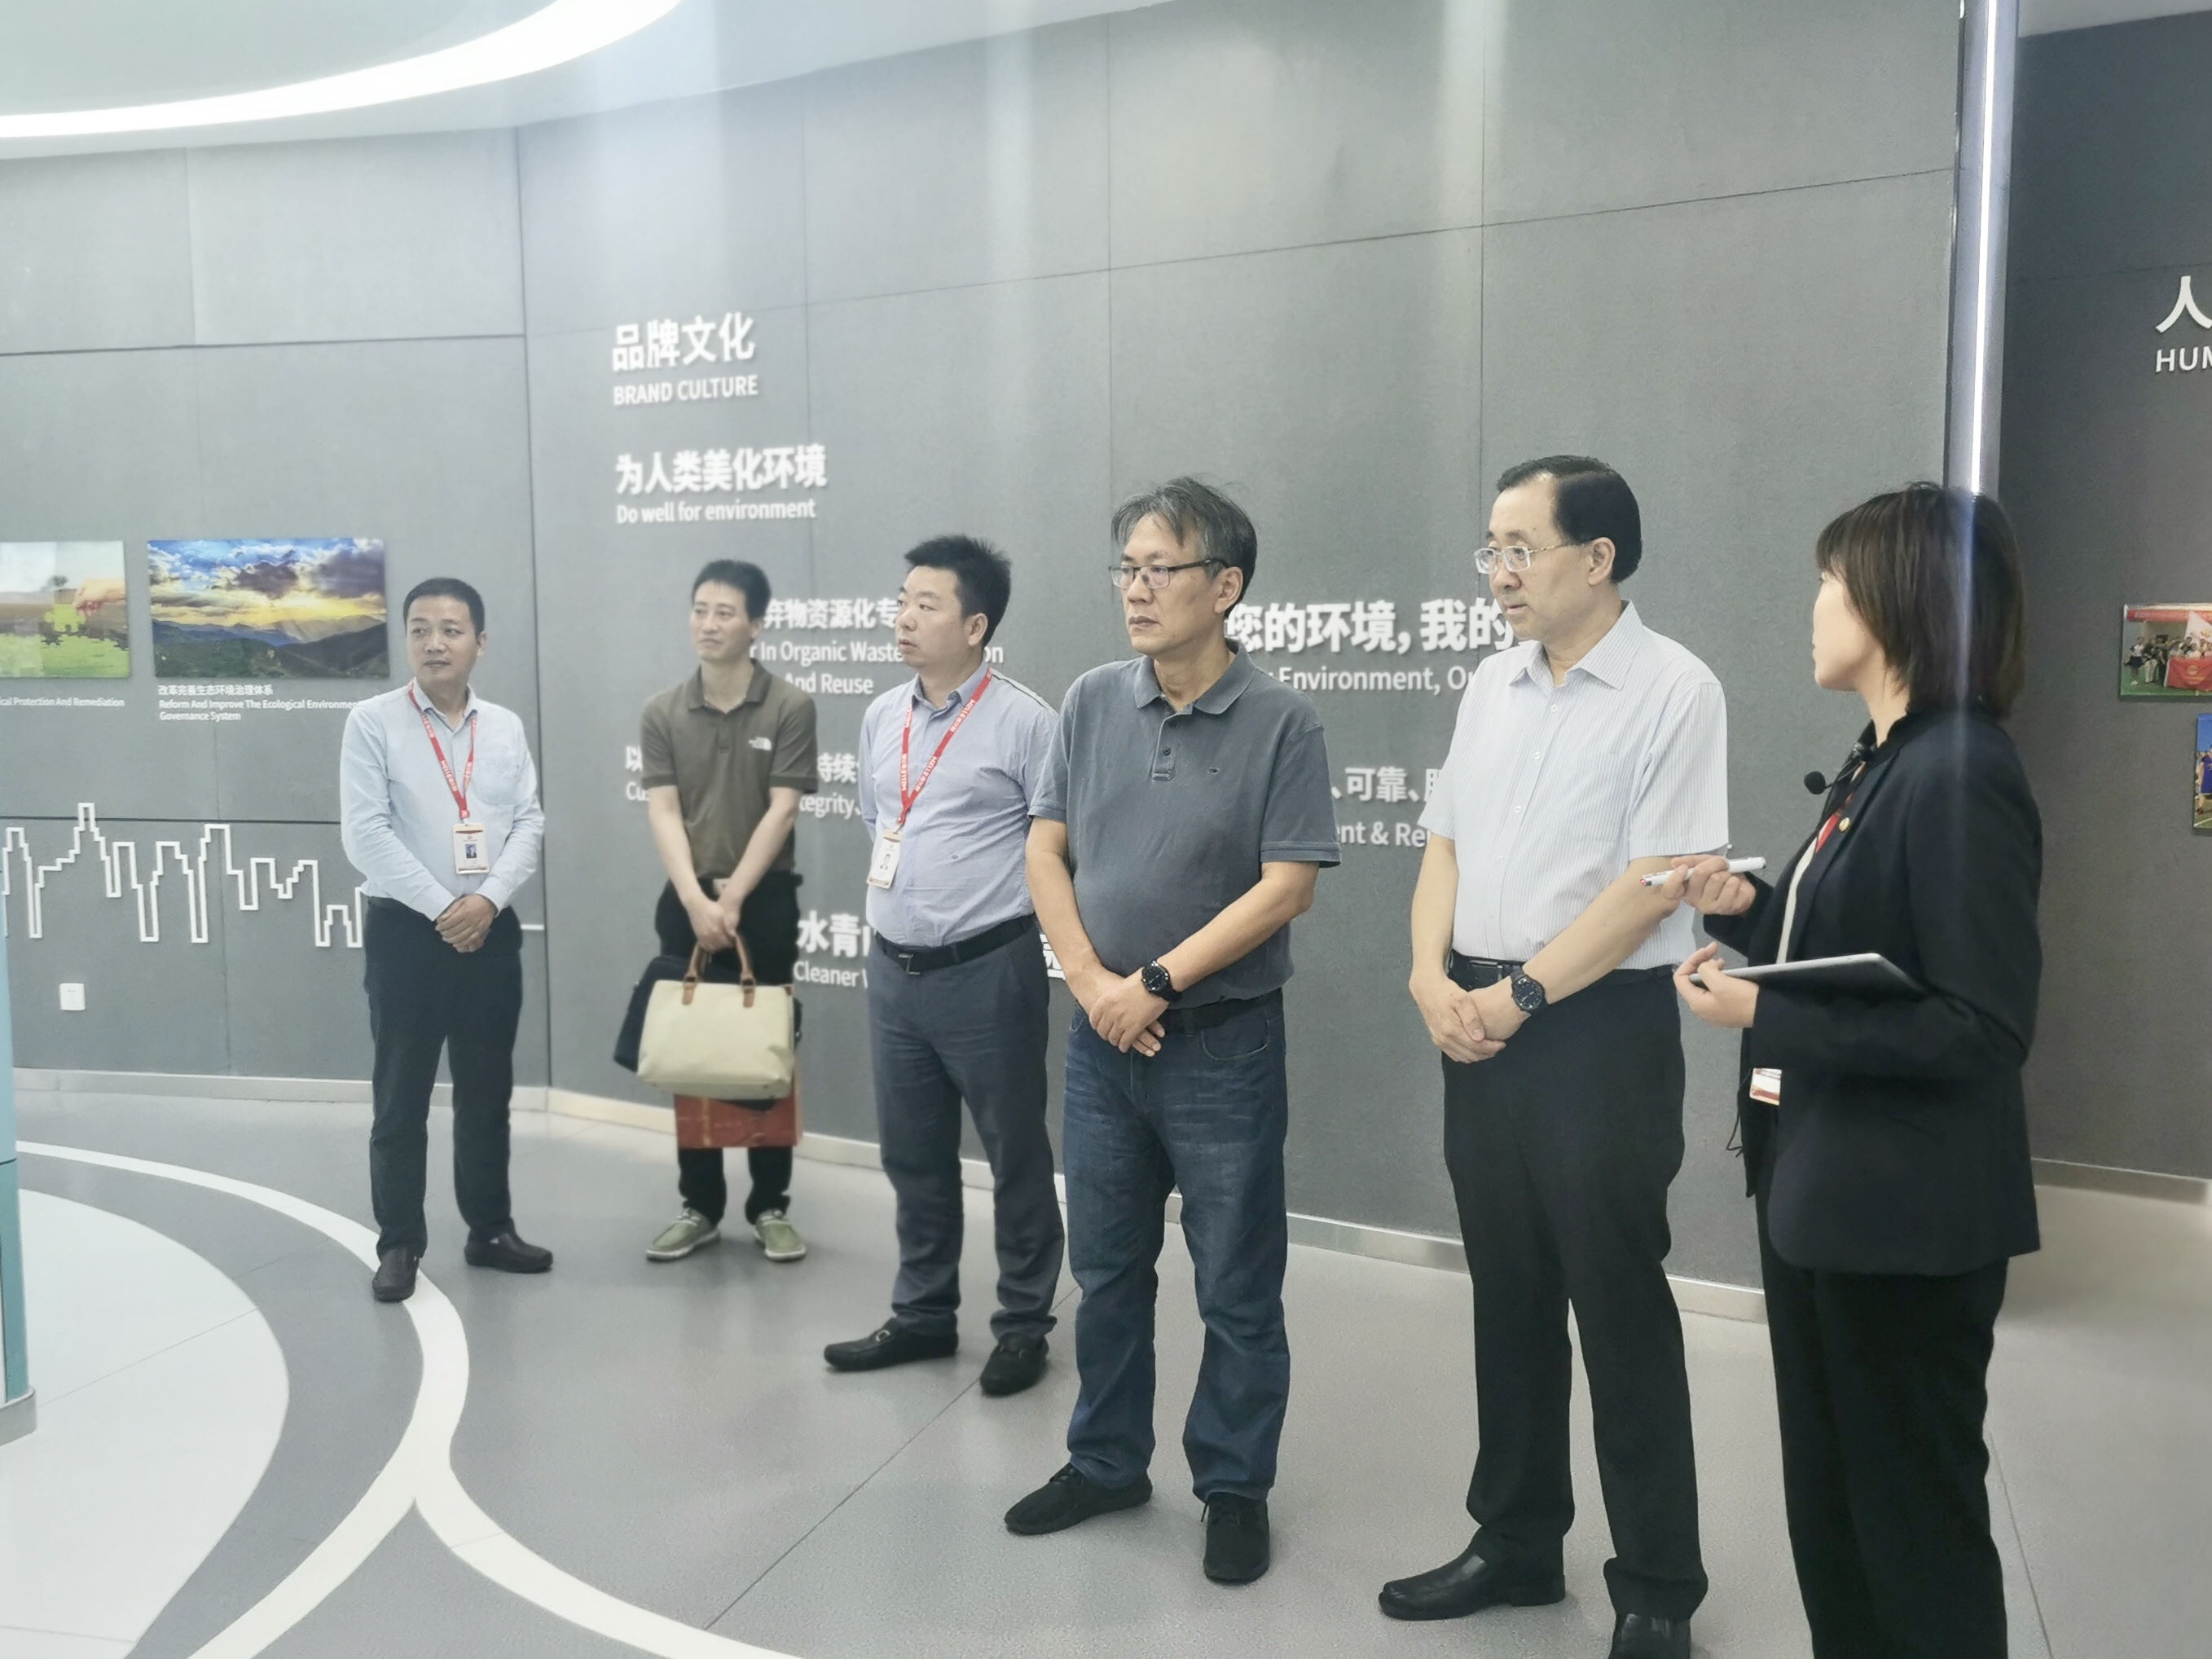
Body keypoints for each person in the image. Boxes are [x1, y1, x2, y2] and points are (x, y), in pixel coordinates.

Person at [1674, 484, 2040, 1659]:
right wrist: (1747, 909)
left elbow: (1979, 1026)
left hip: (1904, 1225)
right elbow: (1865, 953)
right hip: (1827, 1198)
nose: (1814, 606)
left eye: (1830, 582)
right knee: (1834, 1510)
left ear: (1893, 600)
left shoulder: (1959, 770)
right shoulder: (1883, 760)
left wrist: (1763, 1015)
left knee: (1910, 1525)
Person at [1384, 457, 1726, 1659]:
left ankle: (1657, 1586)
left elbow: (1653, 884)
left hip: (1594, 1030)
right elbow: (1442, 843)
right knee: (1509, 1292)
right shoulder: (1491, 681)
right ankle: (1518, 1540)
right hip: (1473, 1018)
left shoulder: (1675, 687)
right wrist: (1428, 976)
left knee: (1616, 1300)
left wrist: (1522, 993)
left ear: (1599, 557)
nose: (1498, 572)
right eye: (1491, 549)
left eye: (1520, 548)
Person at [1005, 478, 1339, 1587]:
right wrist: (1094, 981)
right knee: (1105, 1270)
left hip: (1218, 1044)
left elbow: (1287, 886)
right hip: (1102, 1039)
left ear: (1225, 585)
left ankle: (1233, 1485)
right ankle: (1105, 1461)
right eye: (1128, 569)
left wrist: (1151, 982)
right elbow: (1044, 847)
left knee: (1235, 1279)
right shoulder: (1092, 699)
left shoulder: (1281, 719)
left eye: (1161, 569)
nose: (1136, 590)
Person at [820, 536, 1064, 1397]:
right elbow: (878, 818)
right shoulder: (882, 715)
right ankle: (923, 1312)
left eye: (926, 604)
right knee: (912, 1154)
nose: (904, 617)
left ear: (975, 625)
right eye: (902, 600)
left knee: (1014, 1153)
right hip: (895, 971)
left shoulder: (1027, 722)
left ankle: (1024, 1323)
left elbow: (1054, 844)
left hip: (988, 969)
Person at [341, 577, 550, 1304]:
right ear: (406, 638)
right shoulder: (372, 722)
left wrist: (485, 901)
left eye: (451, 630)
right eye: (421, 629)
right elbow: (365, 833)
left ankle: (489, 1230)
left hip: (491, 929)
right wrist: (445, 909)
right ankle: (399, 1242)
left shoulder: (505, 728)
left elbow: (529, 822)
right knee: (401, 1097)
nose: (435, 643)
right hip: (407, 931)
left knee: (487, 1094)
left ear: (479, 643)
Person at [639, 559, 819, 1265]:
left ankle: (770, 1205)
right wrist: (695, 899)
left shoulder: (789, 706)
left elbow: (783, 809)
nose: (708, 624)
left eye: (724, 612)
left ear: (756, 625)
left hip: (763, 901)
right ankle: (700, 1206)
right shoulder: (662, 711)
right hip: (686, 900)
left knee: (764, 1054)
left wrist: (734, 899)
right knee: (694, 1054)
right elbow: (663, 810)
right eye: (699, 610)